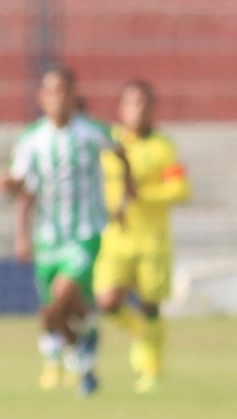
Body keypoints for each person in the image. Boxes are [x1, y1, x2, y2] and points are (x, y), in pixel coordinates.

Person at [0, 66, 134, 396]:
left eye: (63, 91)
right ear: (41, 98)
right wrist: (11, 197)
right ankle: (84, 345)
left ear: (74, 95)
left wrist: (124, 200)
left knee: (61, 300)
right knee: (56, 315)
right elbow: (23, 189)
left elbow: (123, 157)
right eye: (51, 92)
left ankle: (77, 347)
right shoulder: (31, 140)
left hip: (85, 233)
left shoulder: (93, 132)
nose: (57, 98)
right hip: (47, 237)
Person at [95, 79, 191, 393]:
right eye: (132, 103)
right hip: (118, 237)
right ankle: (141, 333)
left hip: (152, 239)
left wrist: (142, 195)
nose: (138, 110)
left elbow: (180, 190)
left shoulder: (163, 148)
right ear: (120, 109)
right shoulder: (110, 144)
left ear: (152, 110)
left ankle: (152, 371)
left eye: (144, 104)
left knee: (151, 304)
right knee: (107, 301)